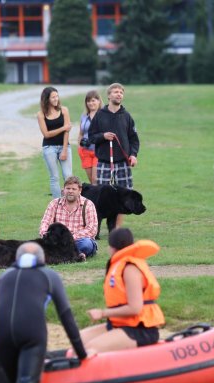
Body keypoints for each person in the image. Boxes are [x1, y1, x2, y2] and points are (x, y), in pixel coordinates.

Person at [0, 242, 87, 383]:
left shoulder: (4, 276)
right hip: (32, 336)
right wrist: (82, 354)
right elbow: (66, 316)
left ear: (17, 259)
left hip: (2, 336)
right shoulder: (49, 275)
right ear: (42, 259)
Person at [79, 228, 165, 354]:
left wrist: (103, 313)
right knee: (78, 340)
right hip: (122, 324)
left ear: (111, 248)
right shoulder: (120, 265)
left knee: (89, 349)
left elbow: (135, 308)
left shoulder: (129, 268)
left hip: (141, 329)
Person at [87, 82, 139, 228]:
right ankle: (95, 228)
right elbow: (91, 137)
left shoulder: (127, 116)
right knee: (102, 196)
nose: (118, 94)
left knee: (125, 195)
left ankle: (116, 228)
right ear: (109, 96)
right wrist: (103, 136)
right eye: (115, 92)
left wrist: (133, 155)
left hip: (123, 162)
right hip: (104, 162)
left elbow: (134, 139)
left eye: (121, 92)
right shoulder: (100, 115)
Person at [39, 175, 98, 260]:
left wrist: (69, 238)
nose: (70, 191)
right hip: (57, 241)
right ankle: (75, 255)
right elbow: (45, 223)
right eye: (68, 188)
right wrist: (46, 236)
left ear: (80, 190)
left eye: (74, 189)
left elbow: (92, 229)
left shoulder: (88, 204)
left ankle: (67, 254)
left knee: (86, 244)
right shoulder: (54, 203)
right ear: (63, 190)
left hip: (78, 240)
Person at [37, 86, 72, 199]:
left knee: (68, 176)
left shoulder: (64, 110)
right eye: (53, 97)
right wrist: (63, 128)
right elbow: (46, 134)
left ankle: (70, 201)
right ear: (46, 99)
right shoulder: (41, 114)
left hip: (64, 146)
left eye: (57, 96)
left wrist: (65, 150)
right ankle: (57, 204)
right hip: (49, 147)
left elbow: (67, 132)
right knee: (54, 177)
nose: (56, 99)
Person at [77, 90, 102, 184]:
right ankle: (94, 198)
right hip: (85, 151)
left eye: (93, 100)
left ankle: (100, 198)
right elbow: (81, 133)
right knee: (91, 181)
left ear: (99, 101)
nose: (91, 103)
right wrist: (79, 148)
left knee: (96, 179)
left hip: (98, 151)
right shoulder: (84, 116)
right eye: (88, 101)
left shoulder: (103, 115)